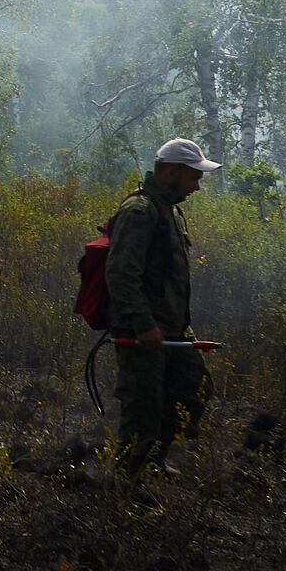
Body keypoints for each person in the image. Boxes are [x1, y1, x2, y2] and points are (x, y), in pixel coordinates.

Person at [106, 137, 220, 478]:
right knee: (143, 407)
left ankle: (154, 460)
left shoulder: (169, 210)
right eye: (193, 178)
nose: (197, 186)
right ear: (171, 172)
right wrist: (142, 324)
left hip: (171, 328)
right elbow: (121, 275)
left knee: (192, 387)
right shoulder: (139, 212)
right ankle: (127, 482)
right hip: (142, 331)